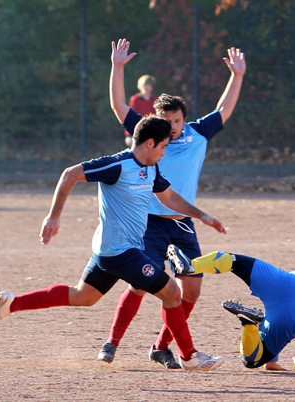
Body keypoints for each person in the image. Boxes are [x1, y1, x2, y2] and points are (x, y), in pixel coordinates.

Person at [0, 114, 227, 371]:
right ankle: (189, 355)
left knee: (83, 296)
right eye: (164, 147)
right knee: (172, 292)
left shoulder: (151, 167)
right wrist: (53, 217)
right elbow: (70, 174)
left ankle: (13, 303)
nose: (165, 153)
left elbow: (168, 196)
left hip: (109, 250)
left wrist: (200, 214)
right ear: (150, 143)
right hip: (120, 252)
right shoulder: (117, 165)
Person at [96, 38, 245, 369]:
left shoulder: (198, 134)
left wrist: (237, 76)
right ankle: (112, 342)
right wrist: (117, 67)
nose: (172, 128)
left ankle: (161, 346)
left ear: (184, 119)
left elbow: (225, 110)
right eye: (166, 121)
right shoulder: (149, 135)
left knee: (191, 291)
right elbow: (119, 106)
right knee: (139, 284)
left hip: (181, 223)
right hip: (148, 222)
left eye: (176, 121)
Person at [165, 245, 295, 371]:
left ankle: (191, 266)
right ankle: (250, 325)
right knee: (251, 361)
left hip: (289, 281)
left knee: (233, 260)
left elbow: (280, 299)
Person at [125, 75, 158, 147]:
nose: (146, 87)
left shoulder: (156, 99)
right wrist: (129, 135)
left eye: (148, 85)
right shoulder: (135, 99)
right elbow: (129, 117)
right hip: (137, 130)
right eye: (144, 85)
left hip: (153, 130)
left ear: (152, 87)